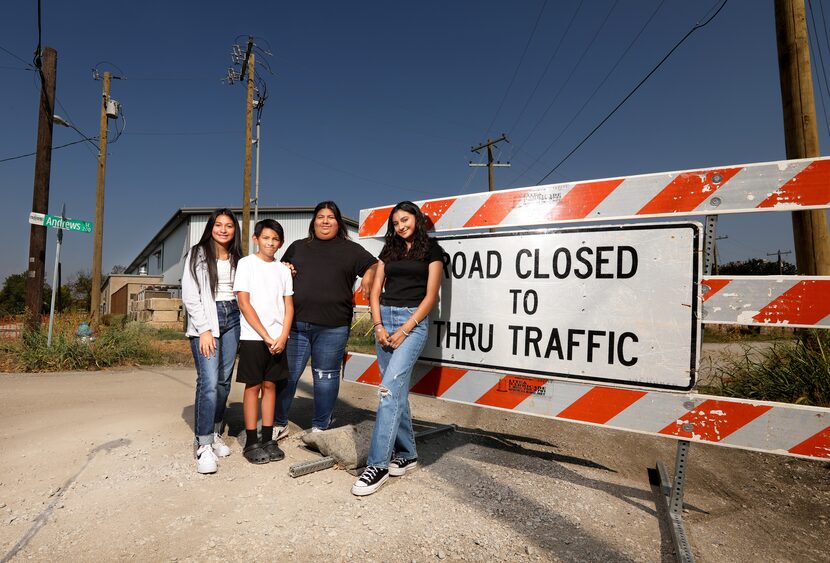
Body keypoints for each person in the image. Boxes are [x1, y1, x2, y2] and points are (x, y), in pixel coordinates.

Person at [352, 201, 443, 496]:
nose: (401, 226)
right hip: (385, 320)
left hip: (412, 323)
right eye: (395, 222)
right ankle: (408, 454)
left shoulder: (432, 251)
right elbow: (376, 290)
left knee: (388, 392)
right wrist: (378, 325)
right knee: (396, 392)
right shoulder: (388, 251)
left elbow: (431, 297)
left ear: (416, 219)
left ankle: (377, 465)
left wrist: (405, 330)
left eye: (405, 220)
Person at [274, 201, 378, 436]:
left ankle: (321, 426)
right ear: (314, 221)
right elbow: (279, 270)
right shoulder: (298, 246)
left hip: (333, 326)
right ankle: (278, 423)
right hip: (296, 325)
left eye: (330, 217)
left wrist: (368, 277)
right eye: (320, 216)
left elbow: (375, 265)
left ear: (338, 222)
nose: (325, 221)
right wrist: (286, 267)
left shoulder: (350, 249)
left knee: (325, 378)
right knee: (287, 376)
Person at [181, 208, 243, 475]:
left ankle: (216, 431)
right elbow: (190, 293)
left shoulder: (239, 257)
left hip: (234, 318)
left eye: (229, 225)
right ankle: (203, 444)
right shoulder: (197, 253)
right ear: (211, 227)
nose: (224, 229)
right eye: (219, 225)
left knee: (223, 380)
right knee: (208, 382)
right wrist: (204, 329)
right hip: (207, 319)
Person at [233, 219, 294, 464]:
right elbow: (244, 303)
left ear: (281, 243)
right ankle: (251, 441)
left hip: (278, 339)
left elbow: (289, 306)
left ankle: (268, 438)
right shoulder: (246, 264)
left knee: (271, 387)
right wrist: (267, 336)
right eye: (266, 238)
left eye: (276, 239)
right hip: (253, 337)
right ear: (256, 238)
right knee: (253, 387)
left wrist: (283, 336)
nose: (271, 243)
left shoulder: (283, 270)